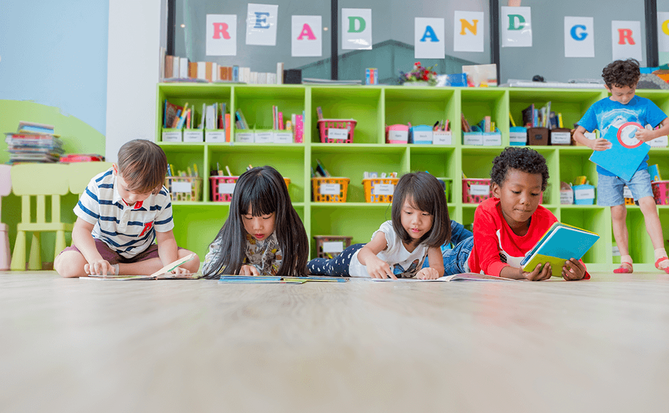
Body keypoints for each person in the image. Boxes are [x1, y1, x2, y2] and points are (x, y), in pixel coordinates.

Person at [573, 58, 669, 274]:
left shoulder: (644, 105)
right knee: (617, 211)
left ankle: (661, 256)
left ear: (636, 83)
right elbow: (577, 133)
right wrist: (591, 142)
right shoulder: (598, 107)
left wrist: (653, 133)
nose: (625, 98)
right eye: (619, 94)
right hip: (607, 168)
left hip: (637, 166)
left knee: (648, 204)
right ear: (608, 87)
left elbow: (667, 125)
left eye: (630, 91)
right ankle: (625, 259)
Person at [55, 139, 199, 277]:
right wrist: (95, 260)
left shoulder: (160, 195)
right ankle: (107, 267)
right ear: (116, 170)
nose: (132, 198)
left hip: (142, 252)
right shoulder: (99, 185)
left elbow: (165, 239)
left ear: (156, 185)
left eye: (143, 193)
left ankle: (116, 269)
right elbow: (81, 229)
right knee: (68, 264)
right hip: (104, 247)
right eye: (127, 189)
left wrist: (170, 267)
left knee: (192, 261)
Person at [444, 147, 589, 281]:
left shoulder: (548, 220)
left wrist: (579, 272)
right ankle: (446, 226)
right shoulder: (486, 211)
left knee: (473, 238)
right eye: (516, 192)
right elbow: (488, 264)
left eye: (534, 193)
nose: (525, 201)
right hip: (464, 256)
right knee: (427, 265)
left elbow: (573, 259)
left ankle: (453, 228)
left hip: (486, 239)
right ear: (496, 190)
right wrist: (521, 274)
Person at [308, 172, 450, 279]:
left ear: (436, 215)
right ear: (398, 210)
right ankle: (305, 265)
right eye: (408, 212)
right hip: (352, 261)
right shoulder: (389, 232)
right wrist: (371, 260)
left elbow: (438, 267)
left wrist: (433, 272)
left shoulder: (429, 238)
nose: (416, 221)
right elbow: (365, 252)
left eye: (424, 214)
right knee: (327, 267)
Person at [202, 166, 308, 278]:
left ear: (281, 210)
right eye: (248, 217)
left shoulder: (290, 233)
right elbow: (209, 267)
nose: (257, 227)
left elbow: (287, 272)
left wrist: (253, 271)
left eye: (266, 217)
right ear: (238, 214)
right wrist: (235, 270)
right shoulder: (232, 229)